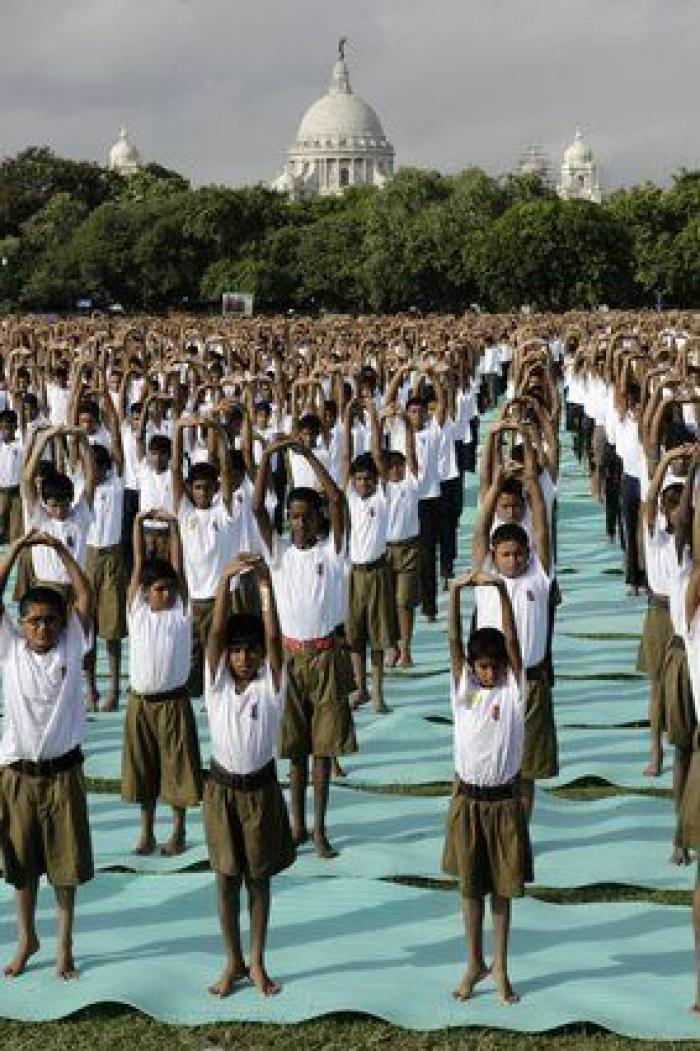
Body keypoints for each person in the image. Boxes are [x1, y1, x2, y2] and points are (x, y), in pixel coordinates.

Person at [253, 436, 356, 859]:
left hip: (327, 654)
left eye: (305, 517)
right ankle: (296, 825)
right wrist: (270, 456)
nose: (298, 524)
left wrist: (305, 454)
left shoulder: (333, 552)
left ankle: (319, 828)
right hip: (290, 657)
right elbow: (258, 508)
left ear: (317, 520)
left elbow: (337, 498)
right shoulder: (277, 554)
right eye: (292, 517)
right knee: (294, 751)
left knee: (322, 749)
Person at [0, 530, 94, 980]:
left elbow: (84, 595)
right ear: (21, 624)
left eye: (50, 620)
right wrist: (17, 550)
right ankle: (26, 938)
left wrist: (59, 552)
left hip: (63, 775)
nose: (42, 628)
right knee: (22, 865)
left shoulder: (73, 646)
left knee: (65, 864)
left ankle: (65, 946)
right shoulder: (10, 650)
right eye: (34, 620)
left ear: (63, 623)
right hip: (18, 774)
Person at [203, 553, 295, 998]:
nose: (242, 658)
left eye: (250, 651)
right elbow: (216, 634)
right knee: (225, 879)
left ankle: (257, 960)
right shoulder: (216, 684)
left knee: (258, 879)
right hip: (221, 790)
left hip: (259, 790)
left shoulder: (270, 684)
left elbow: (275, 635)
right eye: (236, 652)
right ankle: (232, 960)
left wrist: (264, 586)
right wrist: (223, 582)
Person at [442, 569, 531, 1005]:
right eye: (484, 666)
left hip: (503, 804)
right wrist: (458, 592)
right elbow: (455, 644)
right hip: (468, 800)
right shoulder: (463, 688)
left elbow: (512, 643)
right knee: (469, 887)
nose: (490, 671)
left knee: (502, 889)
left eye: (495, 666)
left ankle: (501, 967)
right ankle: (474, 962)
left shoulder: (514, 691)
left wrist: (498, 590)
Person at [473, 454, 556, 822]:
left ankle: (521, 831)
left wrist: (532, 483)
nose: (514, 560)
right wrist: (495, 485)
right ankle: (497, 827)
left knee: (528, 768)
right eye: (506, 554)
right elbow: (479, 529)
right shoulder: (485, 579)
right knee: (493, 761)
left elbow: (541, 527)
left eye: (519, 553)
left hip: (532, 683)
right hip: (493, 682)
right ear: (495, 556)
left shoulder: (539, 575)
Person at [121, 508, 203, 856]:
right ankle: (146, 832)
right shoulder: (137, 612)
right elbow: (138, 564)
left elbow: (180, 569)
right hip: (141, 704)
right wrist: (138, 523)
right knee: (145, 769)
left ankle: (178, 832)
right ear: (145, 592)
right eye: (158, 589)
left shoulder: (181, 614)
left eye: (169, 588)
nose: (166, 594)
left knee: (177, 769)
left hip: (173, 703)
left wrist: (173, 527)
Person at [342, 397, 396, 713]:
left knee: (378, 636)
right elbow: (348, 455)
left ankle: (377, 691)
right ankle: (358, 687)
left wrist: (374, 416)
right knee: (354, 636)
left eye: (367, 479)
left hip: (376, 572)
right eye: (358, 479)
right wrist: (349, 417)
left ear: (376, 480)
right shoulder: (349, 497)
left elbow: (375, 454)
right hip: (353, 574)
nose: (362, 483)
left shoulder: (382, 498)